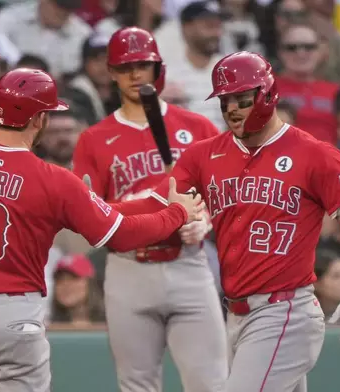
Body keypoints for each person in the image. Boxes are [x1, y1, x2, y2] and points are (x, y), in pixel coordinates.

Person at [0, 67, 204, 392]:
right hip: (16, 320)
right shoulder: (55, 180)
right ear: (38, 120)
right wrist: (176, 213)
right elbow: (121, 233)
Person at [106, 51, 340, 392]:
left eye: (241, 99)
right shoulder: (203, 154)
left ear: (267, 95)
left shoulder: (314, 153)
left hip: (285, 311)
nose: (232, 109)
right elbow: (157, 202)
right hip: (236, 315)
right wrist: (94, 208)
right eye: (225, 101)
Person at [72, 26, 228, 392]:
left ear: (158, 68)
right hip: (129, 269)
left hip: (188, 263)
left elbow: (221, 194)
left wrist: (203, 222)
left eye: (143, 65)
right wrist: (146, 204)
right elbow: (88, 215)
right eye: (125, 67)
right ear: (111, 72)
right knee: (136, 385)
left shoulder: (197, 126)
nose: (135, 74)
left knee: (212, 383)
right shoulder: (94, 139)